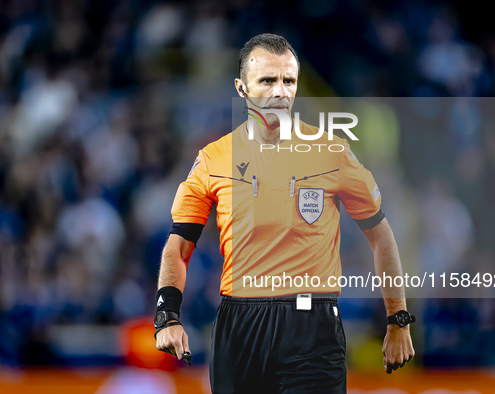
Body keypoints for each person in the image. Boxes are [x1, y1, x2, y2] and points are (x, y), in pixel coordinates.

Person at [154, 33, 415, 393]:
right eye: (267, 80)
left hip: (313, 327)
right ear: (242, 88)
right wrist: (166, 315)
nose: (280, 91)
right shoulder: (213, 158)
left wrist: (398, 320)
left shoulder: (331, 152)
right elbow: (178, 245)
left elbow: (380, 234)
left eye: (288, 80)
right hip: (239, 325)